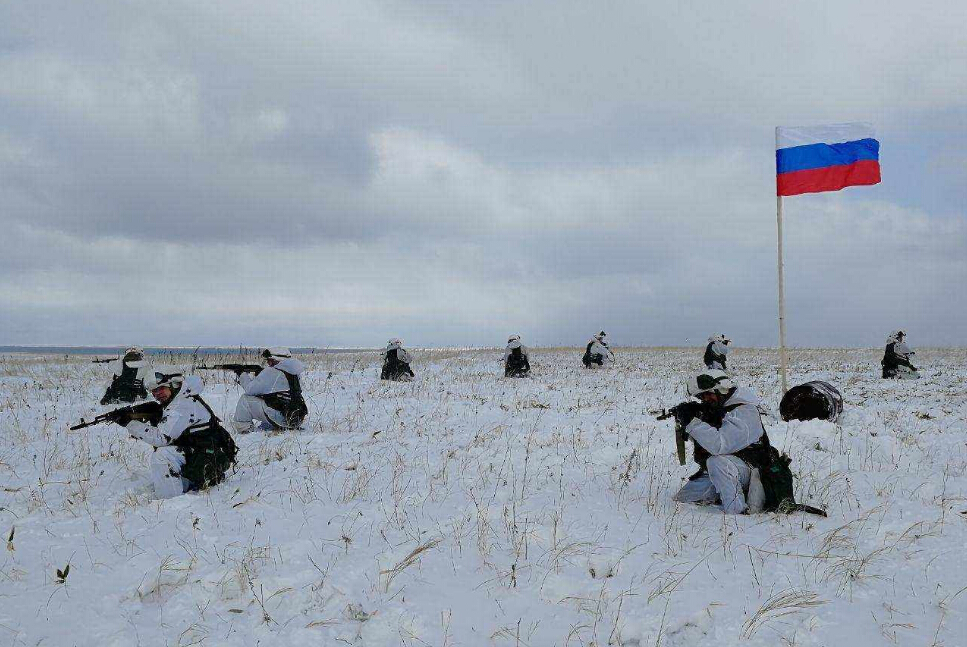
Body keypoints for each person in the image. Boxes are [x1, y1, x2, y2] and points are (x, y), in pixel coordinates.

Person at [112, 366, 237, 498]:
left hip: (209, 456)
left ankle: (169, 499)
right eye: (153, 391)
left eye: (161, 389)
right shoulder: (183, 396)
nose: (156, 394)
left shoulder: (182, 405)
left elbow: (161, 438)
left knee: (162, 455)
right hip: (205, 452)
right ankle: (184, 483)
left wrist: (129, 423)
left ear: (174, 384)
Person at [672, 370, 770, 515]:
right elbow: (705, 441)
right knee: (684, 497)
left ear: (722, 389)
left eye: (709, 394)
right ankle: (726, 491)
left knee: (717, 462)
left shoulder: (744, 411)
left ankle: (737, 512)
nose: (706, 399)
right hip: (733, 467)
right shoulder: (720, 408)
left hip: (754, 471)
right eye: (702, 396)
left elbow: (719, 445)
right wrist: (693, 418)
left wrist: (693, 423)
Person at [232, 347, 308, 434]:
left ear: (277, 359)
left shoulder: (273, 371)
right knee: (269, 400)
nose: (268, 363)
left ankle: (244, 430)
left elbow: (250, 390)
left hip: (281, 419)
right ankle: (268, 426)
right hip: (295, 418)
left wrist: (242, 374)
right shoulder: (294, 372)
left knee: (245, 400)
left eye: (270, 360)